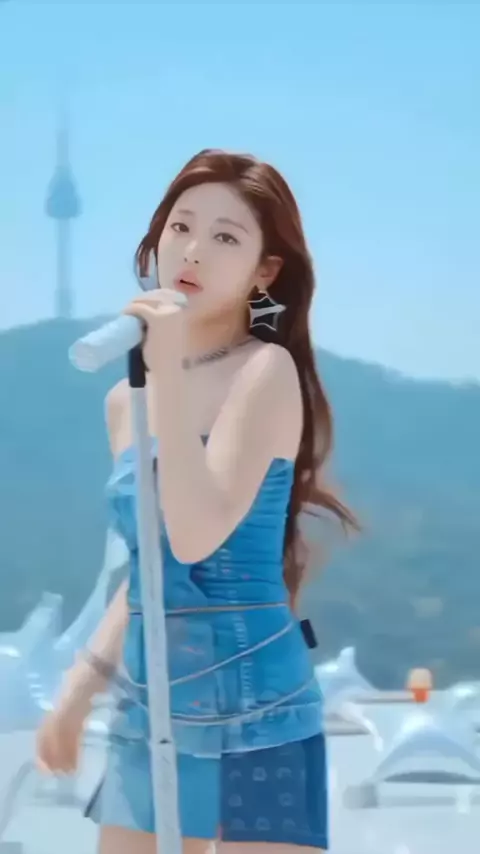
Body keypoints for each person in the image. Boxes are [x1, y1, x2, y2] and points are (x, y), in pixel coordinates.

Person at [36, 149, 356, 853]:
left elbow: (194, 535)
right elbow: (150, 567)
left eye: (225, 237)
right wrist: (80, 689)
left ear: (265, 271)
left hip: (259, 704)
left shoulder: (265, 372)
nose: (192, 251)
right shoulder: (124, 401)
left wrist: (168, 378)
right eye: (180, 227)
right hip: (150, 703)